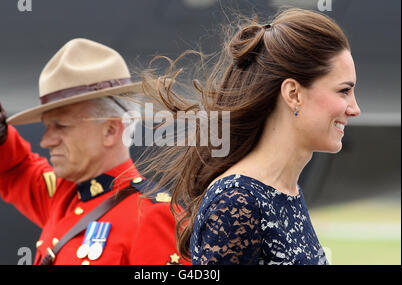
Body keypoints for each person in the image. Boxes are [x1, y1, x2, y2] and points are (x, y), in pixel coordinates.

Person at [140, 8, 361, 264]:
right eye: (344, 91)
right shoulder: (237, 203)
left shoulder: (284, 192)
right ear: (293, 94)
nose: (355, 109)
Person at [0, 38, 189, 265]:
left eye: (61, 126)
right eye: (47, 126)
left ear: (110, 130)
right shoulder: (65, 197)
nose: (46, 140)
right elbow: (14, 171)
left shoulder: (154, 216)